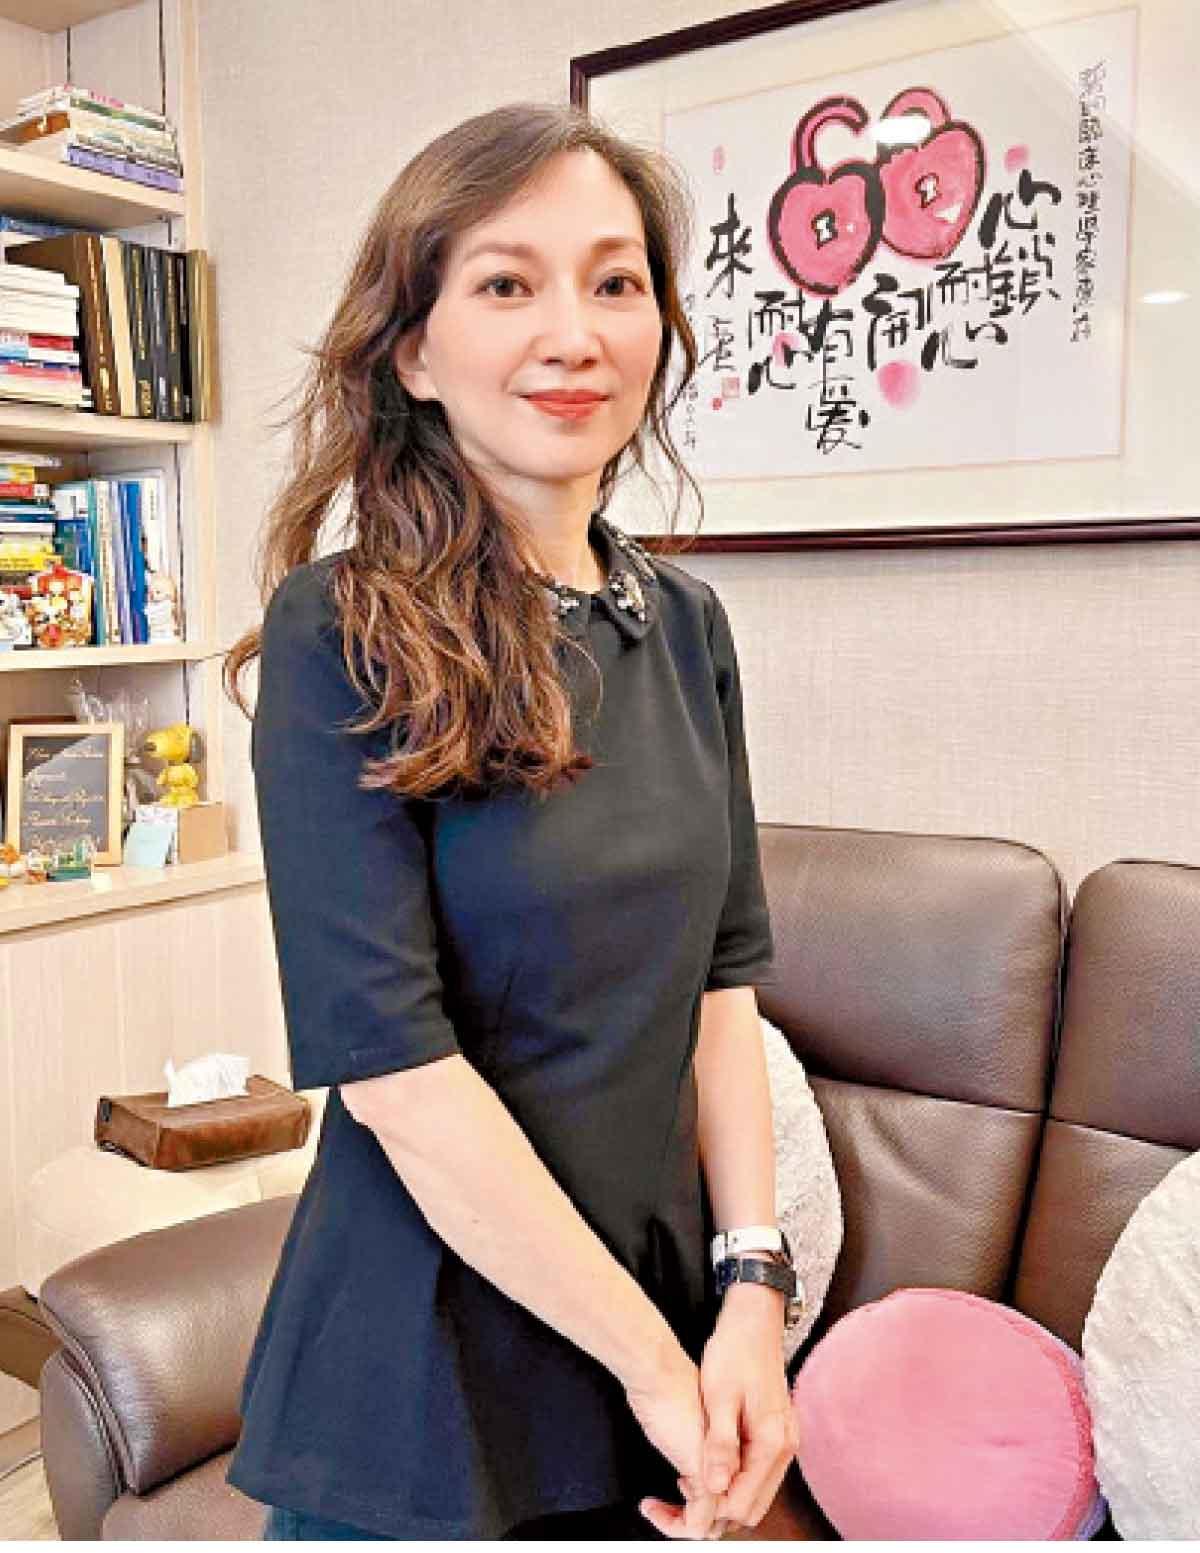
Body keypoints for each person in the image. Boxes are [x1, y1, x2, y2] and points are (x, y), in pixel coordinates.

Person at [221, 100, 799, 1542]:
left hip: (653, 1345)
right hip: (426, 1371)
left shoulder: (686, 625)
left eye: (616, 282)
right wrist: (657, 1364)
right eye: (505, 284)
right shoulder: (340, 631)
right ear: (414, 352)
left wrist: (752, 1291)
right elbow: (398, 1080)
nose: (574, 334)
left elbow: (722, 987)